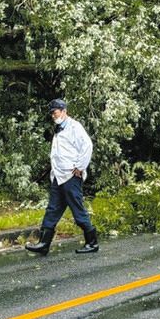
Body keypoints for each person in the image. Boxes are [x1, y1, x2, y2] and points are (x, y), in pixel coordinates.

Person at [25, 99, 99, 255]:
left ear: (64, 111)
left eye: (55, 112)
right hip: (58, 176)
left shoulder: (75, 127)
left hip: (71, 176)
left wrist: (80, 167)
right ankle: (43, 244)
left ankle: (92, 242)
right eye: (52, 113)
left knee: (77, 208)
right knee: (52, 209)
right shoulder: (59, 128)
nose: (53, 115)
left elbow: (87, 146)